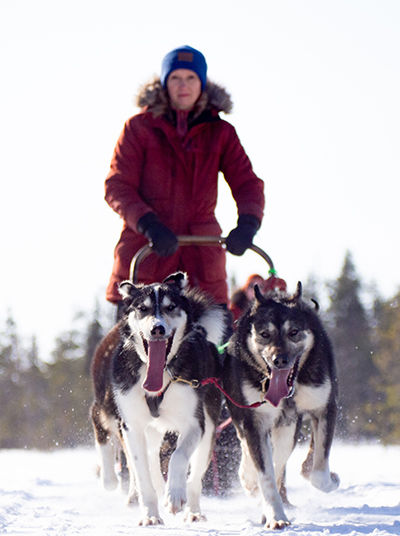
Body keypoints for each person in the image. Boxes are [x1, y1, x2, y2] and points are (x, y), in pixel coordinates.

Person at [104, 45, 265, 317]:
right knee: (137, 352)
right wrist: (149, 224)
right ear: (165, 82)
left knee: (213, 351)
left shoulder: (220, 133)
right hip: (146, 254)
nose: (183, 86)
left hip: (201, 262)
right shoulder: (139, 128)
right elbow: (117, 186)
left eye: (191, 78)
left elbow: (247, 183)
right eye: (176, 78)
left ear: (201, 83)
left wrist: (248, 224)